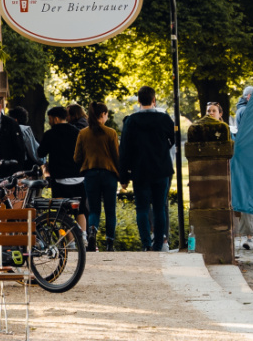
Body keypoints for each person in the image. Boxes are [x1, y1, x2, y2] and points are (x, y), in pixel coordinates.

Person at [119, 87, 176, 252]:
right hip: (161, 169)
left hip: (140, 170)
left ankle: (146, 243)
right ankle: (159, 244)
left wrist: (124, 176)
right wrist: (163, 147)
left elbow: (124, 150)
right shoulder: (163, 119)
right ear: (154, 100)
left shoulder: (131, 121)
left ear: (138, 101)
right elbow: (173, 138)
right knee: (159, 208)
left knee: (142, 208)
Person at [37, 106, 90, 249]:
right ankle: (83, 236)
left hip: (60, 179)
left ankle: (70, 242)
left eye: (49, 119)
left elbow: (40, 153)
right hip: (78, 178)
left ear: (54, 118)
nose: (49, 122)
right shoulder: (77, 132)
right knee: (80, 210)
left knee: (62, 212)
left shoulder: (50, 134)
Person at [74, 103, 120, 251]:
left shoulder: (83, 133)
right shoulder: (111, 133)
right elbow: (116, 156)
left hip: (90, 173)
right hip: (109, 174)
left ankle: (92, 232)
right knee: (110, 210)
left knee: (93, 209)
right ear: (104, 114)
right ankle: (110, 243)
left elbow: (76, 157)